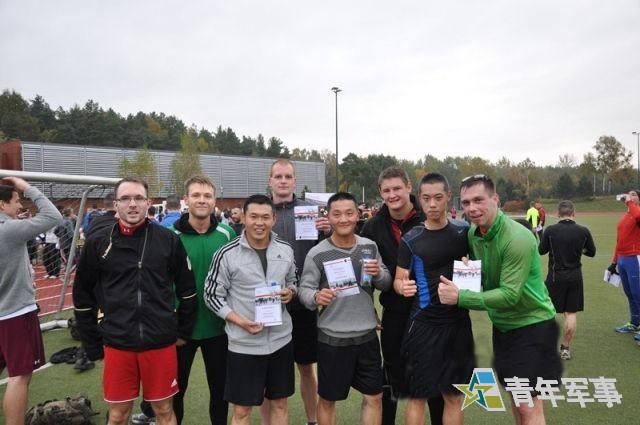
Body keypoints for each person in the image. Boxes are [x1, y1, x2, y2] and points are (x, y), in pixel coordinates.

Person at [73, 176, 197, 425]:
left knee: (164, 410)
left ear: (148, 203)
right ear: (116, 204)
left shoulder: (168, 240)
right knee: (118, 415)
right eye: (126, 198)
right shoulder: (99, 242)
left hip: (159, 342)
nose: (132, 204)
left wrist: (182, 331)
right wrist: (92, 343)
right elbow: (82, 295)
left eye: (139, 198)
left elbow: (188, 290)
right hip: (118, 343)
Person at [438, 174, 561, 425]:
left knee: (528, 405)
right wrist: (469, 269)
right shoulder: (473, 234)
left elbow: (509, 294)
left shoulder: (517, 237)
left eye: (479, 200)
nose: (472, 208)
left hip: (533, 325)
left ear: (495, 199)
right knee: (517, 398)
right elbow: (483, 275)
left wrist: (461, 297)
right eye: (466, 202)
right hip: (504, 327)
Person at [132, 176, 236, 424]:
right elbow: (156, 282)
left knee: (220, 390)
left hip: (219, 326)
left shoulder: (228, 233)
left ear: (214, 201)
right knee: (176, 391)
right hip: (179, 329)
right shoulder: (168, 234)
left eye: (207, 196)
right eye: (196, 195)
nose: (202, 200)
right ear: (186, 200)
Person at [360, 166, 444, 425]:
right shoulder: (372, 226)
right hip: (394, 313)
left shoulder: (429, 216)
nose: (392, 195)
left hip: (432, 312)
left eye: (397, 188)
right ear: (380, 193)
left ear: (409, 186)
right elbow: (365, 272)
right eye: (386, 190)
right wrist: (368, 307)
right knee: (392, 378)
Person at [299, 191, 391, 425]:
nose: (343, 219)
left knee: (374, 397)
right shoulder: (317, 253)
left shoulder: (369, 246)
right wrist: (316, 296)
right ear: (328, 217)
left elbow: (386, 282)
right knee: (328, 400)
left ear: (357, 215)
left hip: (367, 337)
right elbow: (304, 290)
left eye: (349, 213)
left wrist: (378, 274)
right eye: (337, 214)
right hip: (332, 339)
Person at [204, 194, 297, 425]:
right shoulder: (226, 254)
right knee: (242, 410)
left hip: (281, 341)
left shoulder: (285, 249)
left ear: (274, 219)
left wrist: (290, 292)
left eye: (265, 217)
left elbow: (293, 279)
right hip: (243, 345)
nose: (259, 222)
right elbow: (211, 295)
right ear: (243, 217)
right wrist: (239, 321)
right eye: (254, 216)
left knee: (280, 404)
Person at [394, 173, 475, 425]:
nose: (432, 204)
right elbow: (398, 279)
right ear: (419, 199)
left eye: (438, 198)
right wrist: (402, 287)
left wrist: (471, 266)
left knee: (454, 396)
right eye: (426, 198)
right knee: (418, 397)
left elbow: (479, 269)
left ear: (448, 197)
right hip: (423, 325)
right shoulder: (411, 239)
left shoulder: (464, 232)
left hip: (458, 325)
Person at [268, 158, 331, 425]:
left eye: (288, 176)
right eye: (278, 176)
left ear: (295, 181)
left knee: (306, 365)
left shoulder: (310, 211)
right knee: (268, 367)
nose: (283, 181)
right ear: (270, 180)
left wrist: (327, 232)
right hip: (271, 300)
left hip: (304, 300)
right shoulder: (260, 210)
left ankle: (312, 420)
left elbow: (326, 250)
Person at [0, 176, 62, 425]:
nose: (20, 206)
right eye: (16, 201)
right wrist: (26, 187)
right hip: (14, 312)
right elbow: (53, 216)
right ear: (2, 204)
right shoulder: (9, 229)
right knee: (20, 376)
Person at [538, 200, 596, 360]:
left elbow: (541, 250)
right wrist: (579, 248)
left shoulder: (551, 230)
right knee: (571, 313)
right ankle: (565, 349)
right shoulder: (583, 231)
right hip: (575, 277)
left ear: (558, 213)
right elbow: (591, 252)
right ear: (573, 213)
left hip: (555, 277)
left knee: (545, 310)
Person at [609, 190, 640, 341]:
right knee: (629, 293)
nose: (629, 195)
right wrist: (614, 262)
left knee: (638, 293)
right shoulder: (626, 216)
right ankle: (635, 323)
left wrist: (629, 201)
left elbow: (638, 216)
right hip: (622, 259)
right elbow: (619, 241)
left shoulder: (637, 213)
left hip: (634, 257)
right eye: (628, 194)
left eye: (633, 194)